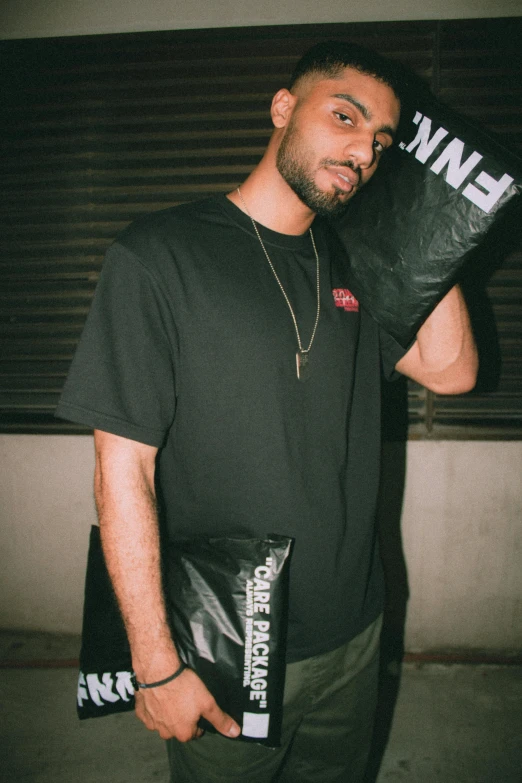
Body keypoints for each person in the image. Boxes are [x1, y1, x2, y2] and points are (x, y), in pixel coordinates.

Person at [56, 41, 478, 783]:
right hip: (225, 638)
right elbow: (123, 470)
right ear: (283, 109)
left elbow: (453, 371)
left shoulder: (357, 267)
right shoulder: (160, 255)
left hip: (355, 628)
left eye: (381, 142)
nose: (363, 150)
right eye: (345, 116)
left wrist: (426, 226)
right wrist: (154, 664)